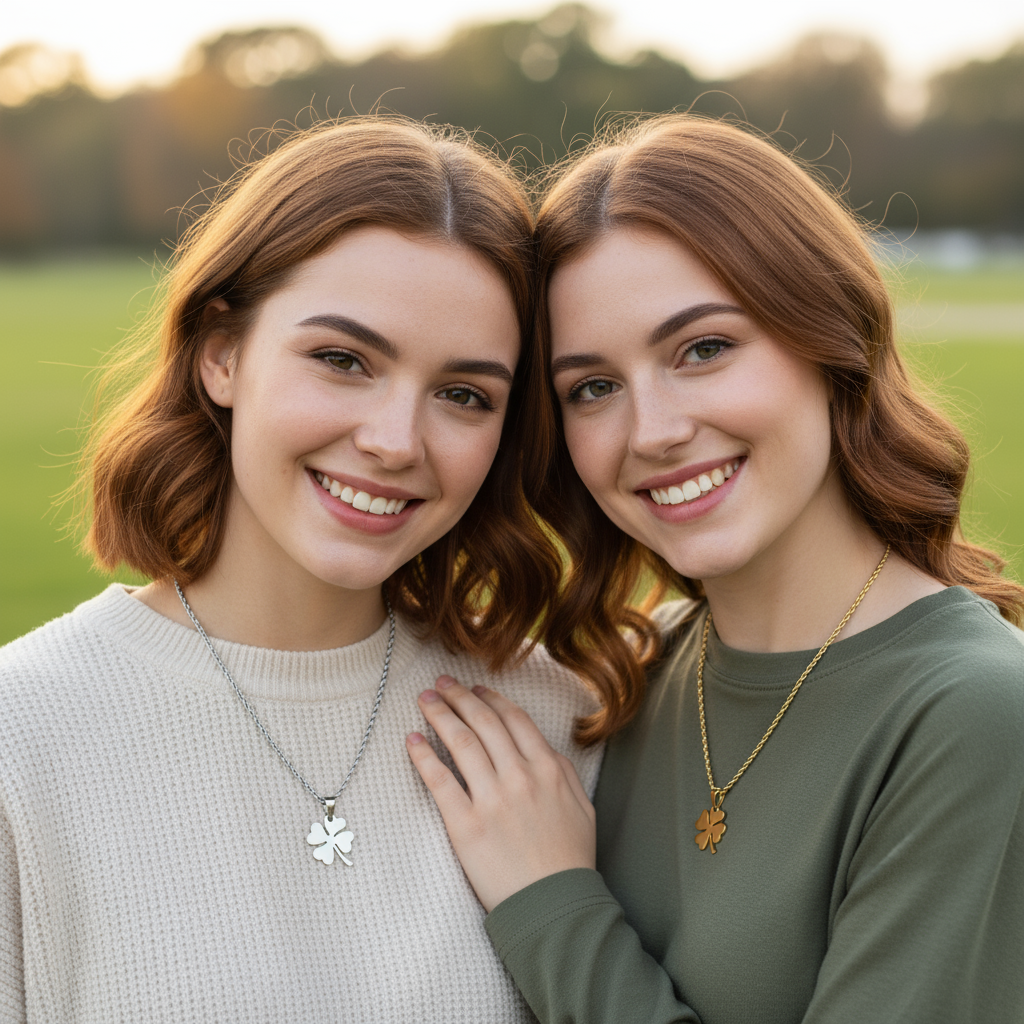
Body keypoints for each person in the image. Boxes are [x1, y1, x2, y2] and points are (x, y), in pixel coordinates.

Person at [406, 115, 1024, 1023]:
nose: (653, 431)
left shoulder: (974, 714)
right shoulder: (629, 677)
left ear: (831, 335)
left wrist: (553, 908)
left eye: (704, 349)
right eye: (593, 388)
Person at [0, 118, 602, 1021]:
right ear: (222, 354)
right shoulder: (22, 736)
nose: (395, 442)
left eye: (463, 395)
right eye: (342, 360)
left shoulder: (556, 725)